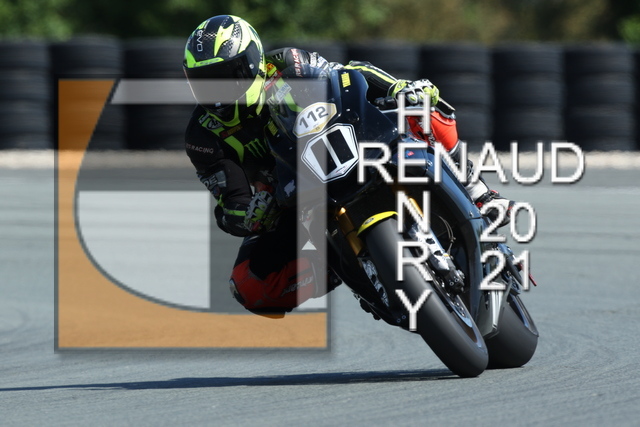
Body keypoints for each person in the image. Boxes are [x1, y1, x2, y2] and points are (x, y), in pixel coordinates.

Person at [182, 14, 514, 316]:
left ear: (253, 62)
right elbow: (230, 204)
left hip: (346, 144)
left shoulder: (287, 64)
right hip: (288, 196)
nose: (216, 93)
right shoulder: (203, 136)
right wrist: (252, 212)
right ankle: (334, 266)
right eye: (203, 82)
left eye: (225, 77)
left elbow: (348, 76)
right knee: (247, 285)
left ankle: (479, 192)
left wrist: (398, 88)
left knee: (421, 107)